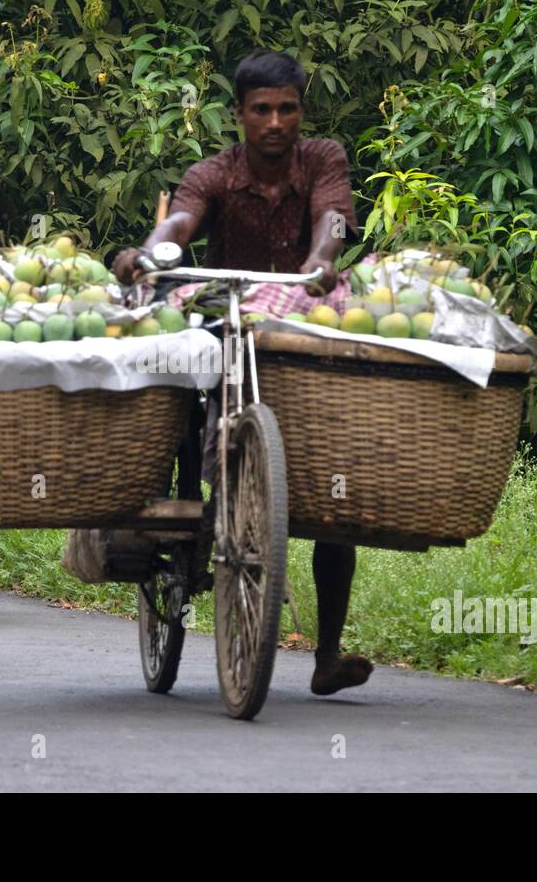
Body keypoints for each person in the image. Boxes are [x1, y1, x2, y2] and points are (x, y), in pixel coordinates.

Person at [113, 49, 374, 696]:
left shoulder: (323, 159)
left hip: (302, 319)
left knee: (332, 494)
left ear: (301, 112)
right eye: (261, 110)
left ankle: (327, 655)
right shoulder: (213, 173)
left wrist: (321, 262)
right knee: (183, 391)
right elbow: (178, 222)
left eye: (287, 109)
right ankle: (185, 508)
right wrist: (149, 256)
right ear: (239, 115)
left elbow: (333, 219)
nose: (275, 122)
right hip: (231, 316)